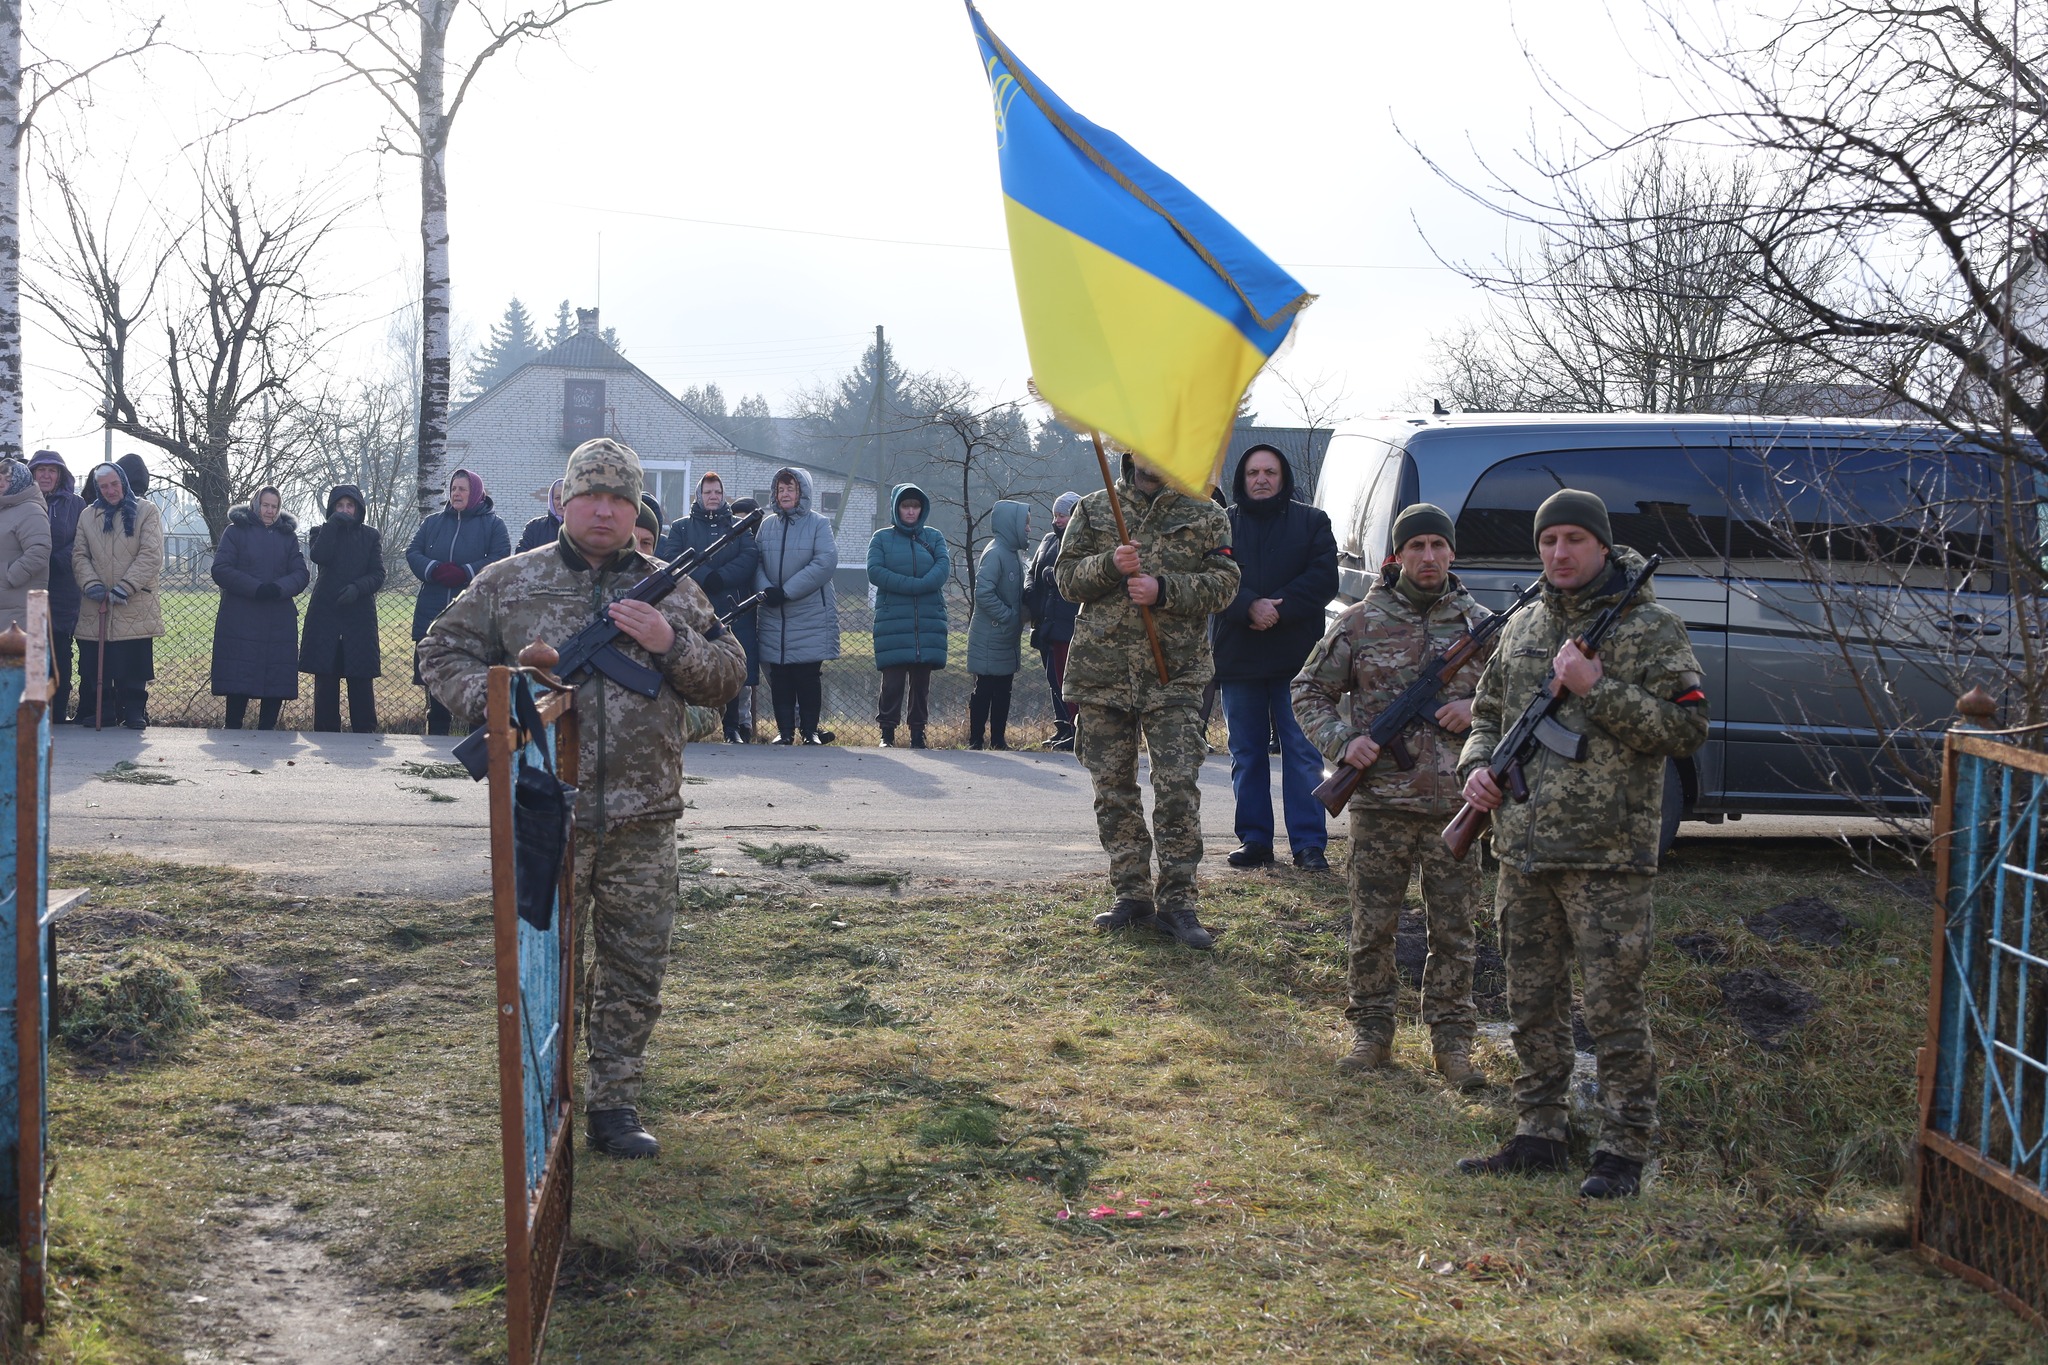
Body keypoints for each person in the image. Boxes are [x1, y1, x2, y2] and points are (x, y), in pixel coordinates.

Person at [419, 438, 746, 1160]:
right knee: (550, 963)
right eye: (590, 495)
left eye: (620, 499)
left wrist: (669, 644)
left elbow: (727, 675)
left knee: (634, 964)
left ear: (636, 511)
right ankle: (549, 1092)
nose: (604, 509)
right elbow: (439, 650)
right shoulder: (510, 581)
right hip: (547, 811)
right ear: (562, 500)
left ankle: (615, 1101)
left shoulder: (676, 590)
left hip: (644, 816)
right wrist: (503, 702)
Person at [1454, 489, 1709, 1199]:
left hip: (1607, 857)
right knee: (1531, 1000)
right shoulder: (1525, 625)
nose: (1559, 553)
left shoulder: (1650, 628)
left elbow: (1687, 731)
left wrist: (1596, 690)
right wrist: (1476, 769)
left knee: (1612, 1005)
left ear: (1601, 546)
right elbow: (1487, 715)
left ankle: (1623, 1148)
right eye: (1548, 541)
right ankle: (1539, 1129)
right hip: (1524, 850)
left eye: (1573, 539)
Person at [1291, 504, 1490, 1089]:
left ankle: (1453, 1044)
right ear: (1397, 555)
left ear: (1452, 553)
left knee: (1455, 929)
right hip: (1380, 803)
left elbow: (1523, 701)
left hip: (1459, 804)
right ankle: (1372, 1033)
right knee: (1372, 925)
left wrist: (1475, 708)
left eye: (1437, 545)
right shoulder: (1359, 621)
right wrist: (1343, 741)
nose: (1428, 557)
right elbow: (1308, 691)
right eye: (1416, 547)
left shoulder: (1482, 626)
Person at [1055, 449, 1239, 948]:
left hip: (1174, 674)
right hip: (1103, 672)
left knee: (1178, 785)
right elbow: (1066, 579)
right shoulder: (1095, 509)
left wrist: (1163, 589)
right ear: (1130, 449)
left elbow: (1224, 585)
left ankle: (1179, 902)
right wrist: (1109, 564)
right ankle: (1131, 894)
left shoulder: (1205, 512)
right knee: (1112, 788)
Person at [1214, 444, 1338, 871]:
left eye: (1269, 472)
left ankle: (1308, 844)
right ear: (1242, 479)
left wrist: (1276, 610)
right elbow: (1212, 579)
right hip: (1239, 658)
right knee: (1245, 754)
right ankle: (1254, 840)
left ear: (1282, 477)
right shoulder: (1221, 525)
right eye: (1253, 473)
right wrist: (1248, 605)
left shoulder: (1312, 522)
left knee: (1302, 754)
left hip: (1297, 661)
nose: (1261, 479)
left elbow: (1323, 579)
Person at [406, 468, 510, 736]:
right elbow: (413, 552)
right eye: (453, 488)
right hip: (434, 610)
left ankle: (478, 741)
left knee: (476, 676)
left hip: (474, 614)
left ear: (476, 492)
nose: (456, 493)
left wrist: (465, 572)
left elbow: (500, 557)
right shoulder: (432, 523)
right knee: (436, 674)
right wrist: (434, 569)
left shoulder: (493, 525)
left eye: (462, 489)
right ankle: (437, 733)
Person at [660, 472, 762, 742]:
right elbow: (672, 557)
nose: (713, 496)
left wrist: (723, 577)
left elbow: (749, 557)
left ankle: (732, 728)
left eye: (717, 492)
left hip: (733, 604)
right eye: (708, 492)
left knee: (733, 666)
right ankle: (691, 727)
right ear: (699, 496)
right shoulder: (682, 528)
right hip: (695, 608)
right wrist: (704, 578)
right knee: (693, 663)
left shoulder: (740, 527)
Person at [73, 460, 164, 729]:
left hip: (134, 600)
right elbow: (79, 555)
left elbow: (151, 554)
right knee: (97, 659)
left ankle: (135, 711)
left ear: (123, 482)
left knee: (134, 658)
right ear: (97, 489)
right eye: (104, 486)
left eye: (114, 484)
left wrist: (125, 586)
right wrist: (91, 585)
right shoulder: (88, 515)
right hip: (96, 601)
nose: (110, 490)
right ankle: (105, 711)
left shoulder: (147, 511)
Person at [753, 467, 840, 745]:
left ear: (802, 492)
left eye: (791, 488)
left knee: (807, 676)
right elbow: (756, 562)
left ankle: (810, 732)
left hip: (809, 613)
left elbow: (825, 562)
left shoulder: (818, 524)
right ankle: (785, 731)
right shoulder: (767, 526)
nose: (785, 494)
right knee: (779, 676)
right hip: (773, 614)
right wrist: (766, 589)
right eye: (781, 489)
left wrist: (787, 591)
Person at [210, 486, 309, 730]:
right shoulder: (235, 532)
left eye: (274, 506)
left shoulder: (287, 537)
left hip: (278, 616)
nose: (269, 511)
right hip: (241, 615)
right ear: (256, 504)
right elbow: (221, 569)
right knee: (239, 671)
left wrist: (278, 588)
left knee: (275, 673)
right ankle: (233, 725)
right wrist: (255, 588)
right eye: (265, 505)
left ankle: (268, 728)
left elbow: (301, 574)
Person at [865, 483, 948, 749]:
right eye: (905, 506)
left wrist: (919, 586)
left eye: (915, 506)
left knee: (921, 682)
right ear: (896, 507)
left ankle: (917, 733)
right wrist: (914, 586)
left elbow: (943, 567)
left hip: (927, 619)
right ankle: (886, 732)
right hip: (893, 620)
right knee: (892, 681)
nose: (910, 511)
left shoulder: (934, 537)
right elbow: (875, 571)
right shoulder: (881, 538)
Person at [300, 483, 385, 734]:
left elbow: (378, 573)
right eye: (340, 505)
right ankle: (326, 732)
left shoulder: (370, 536)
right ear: (332, 508)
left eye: (350, 505)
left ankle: (365, 732)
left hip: (359, 614)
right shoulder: (321, 532)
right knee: (326, 675)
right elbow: (320, 556)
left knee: (360, 676)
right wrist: (333, 526)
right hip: (326, 612)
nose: (346, 510)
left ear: (358, 508)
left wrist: (358, 589)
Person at [967, 499, 1029, 750]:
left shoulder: (1012, 553)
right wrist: (1008, 616)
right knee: (984, 689)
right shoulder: (995, 553)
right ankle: (975, 741)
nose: (1027, 530)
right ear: (1010, 524)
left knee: (1004, 690)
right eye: (1024, 524)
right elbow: (983, 593)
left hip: (1005, 636)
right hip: (990, 635)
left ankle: (998, 740)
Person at [1024, 490, 1081, 751]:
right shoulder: (1048, 540)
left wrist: (1052, 576)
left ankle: (1076, 729)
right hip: (1046, 622)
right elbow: (1033, 570)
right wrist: (1030, 590)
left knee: (1069, 680)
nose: (1058, 520)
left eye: (1063, 515)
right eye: (1055, 515)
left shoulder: (1082, 541)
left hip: (1069, 622)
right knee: (1053, 678)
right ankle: (1062, 727)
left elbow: (1075, 576)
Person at [28, 451, 81, 721]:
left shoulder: (75, 505)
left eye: (52, 470)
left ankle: (58, 710)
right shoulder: (19, 503)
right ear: (32, 473)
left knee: (59, 649)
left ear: (60, 475)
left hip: (63, 587)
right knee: (31, 649)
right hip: (27, 586)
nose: (46, 475)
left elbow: (81, 543)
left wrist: (50, 559)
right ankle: (33, 711)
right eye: (41, 470)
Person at [0, 458, 50, 637]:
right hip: (8, 607)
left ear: (19, 481)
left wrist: (8, 577)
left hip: (23, 606)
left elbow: (40, 550)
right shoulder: (6, 509)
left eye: (7, 479)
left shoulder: (31, 510)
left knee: (21, 663)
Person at [516, 478, 565, 553]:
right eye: (557, 498)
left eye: (565, 498)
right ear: (551, 500)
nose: (561, 502)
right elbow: (521, 556)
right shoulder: (534, 527)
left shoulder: (582, 528)